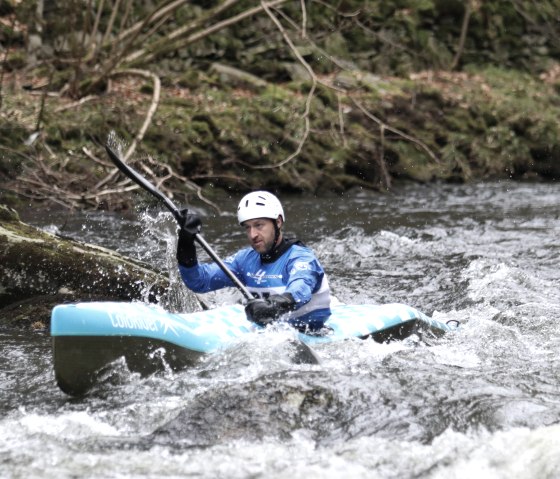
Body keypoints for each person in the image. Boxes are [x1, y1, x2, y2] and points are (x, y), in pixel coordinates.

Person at [176, 191, 331, 332]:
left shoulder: (301, 258)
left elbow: (300, 289)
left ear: (278, 222)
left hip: (310, 331)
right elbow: (199, 281)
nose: (253, 234)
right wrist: (186, 243)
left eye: (259, 225)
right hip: (268, 334)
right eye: (247, 228)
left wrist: (274, 305)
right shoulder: (244, 260)